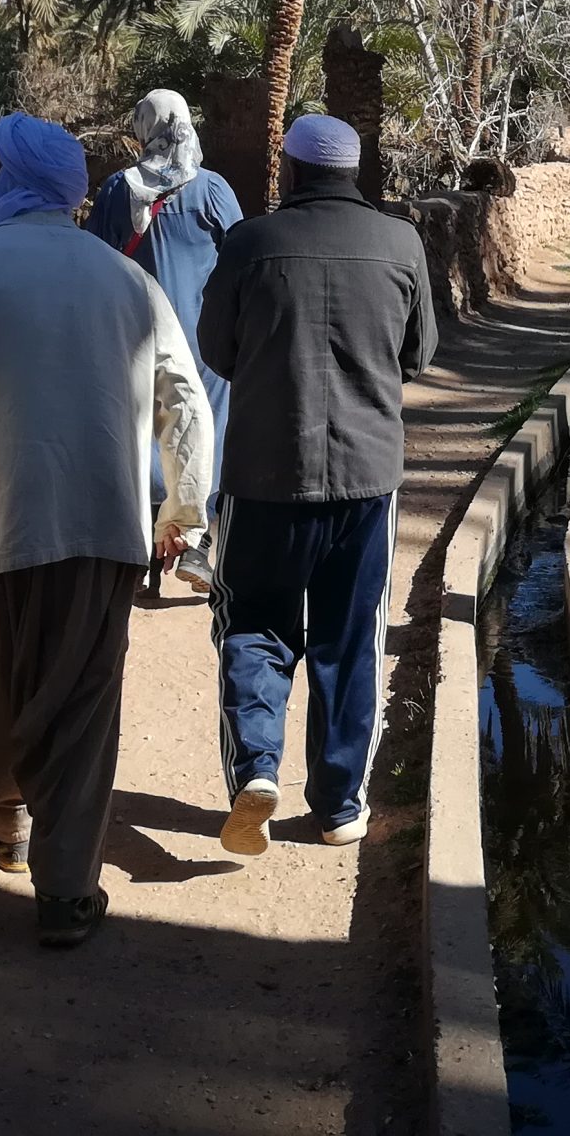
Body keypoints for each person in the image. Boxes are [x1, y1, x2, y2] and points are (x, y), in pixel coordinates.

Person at [0, 111, 213, 948]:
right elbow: (185, 399)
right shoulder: (126, 279)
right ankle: (65, 891)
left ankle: (7, 825)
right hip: (103, 528)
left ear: (13, 181)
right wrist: (183, 511)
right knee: (82, 710)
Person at [196, 113, 438, 856]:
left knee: (253, 621)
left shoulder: (250, 243)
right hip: (367, 480)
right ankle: (338, 807)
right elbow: (419, 353)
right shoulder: (401, 243)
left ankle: (256, 769)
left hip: (263, 477)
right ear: (354, 172)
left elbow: (218, 349)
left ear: (291, 169)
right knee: (350, 637)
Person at [86, 89, 244, 592]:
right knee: (203, 429)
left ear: (143, 129)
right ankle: (195, 543)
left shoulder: (118, 190)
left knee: (139, 433)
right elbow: (240, 256)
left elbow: (95, 259)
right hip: (202, 342)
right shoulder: (212, 189)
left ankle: (140, 550)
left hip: (134, 338)